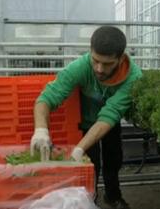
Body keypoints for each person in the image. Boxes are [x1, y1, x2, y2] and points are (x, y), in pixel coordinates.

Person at [30, 26, 142, 209]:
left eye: (107, 64)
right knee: (92, 165)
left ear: (121, 59)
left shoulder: (133, 77)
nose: (99, 68)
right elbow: (46, 98)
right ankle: (90, 199)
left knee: (113, 160)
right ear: (90, 52)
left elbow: (109, 116)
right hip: (83, 123)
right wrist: (41, 129)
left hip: (109, 124)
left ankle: (113, 196)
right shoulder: (81, 67)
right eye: (95, 60)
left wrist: (78, 148)